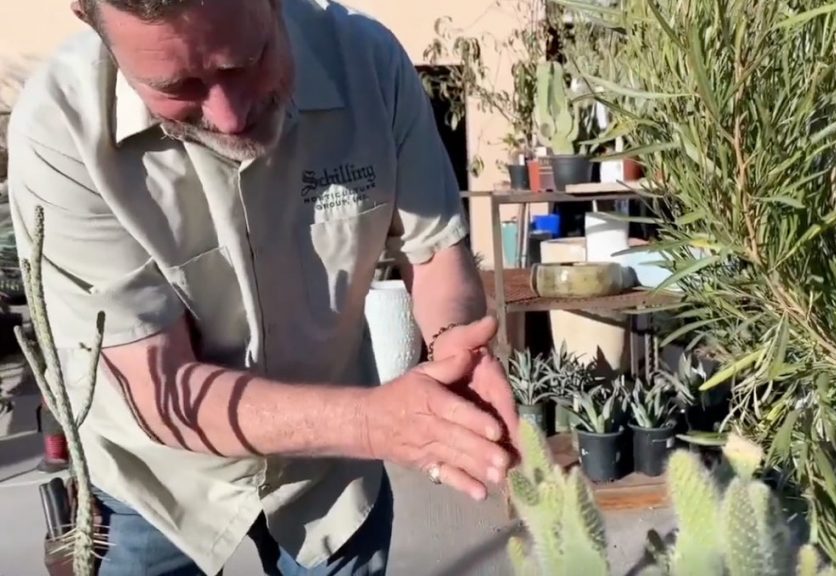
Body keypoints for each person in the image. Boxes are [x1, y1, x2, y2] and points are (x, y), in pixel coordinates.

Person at [5, 1, 519, 575]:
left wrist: (456, 346)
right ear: (90, 21)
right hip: (156, 486)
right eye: (178, 85)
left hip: (331, 481)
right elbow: (163, 388)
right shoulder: (61, 130)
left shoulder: (370, 68)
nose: (228, 115)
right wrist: (378, 424)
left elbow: (436, 252)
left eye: (246, 61)